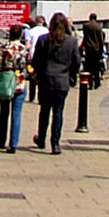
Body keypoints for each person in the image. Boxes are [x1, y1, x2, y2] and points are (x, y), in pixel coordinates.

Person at [30, 11, 81, 154]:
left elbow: (36, 61)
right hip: (62, 80)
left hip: (46, 80)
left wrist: (39, 75)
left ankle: (41, 138)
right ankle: (55, 143)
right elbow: (76, 61)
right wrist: (71, 75)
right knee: (58, 112)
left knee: (44, 111)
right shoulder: (71, 41)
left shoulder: (43, 40)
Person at [0, 24, 29, 153]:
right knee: (16, 113)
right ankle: (13, 144)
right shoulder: (24, 49)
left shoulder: (4, 48)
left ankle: (1, 140)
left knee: (4, 112)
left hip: (5, 82)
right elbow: (26, 66)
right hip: (19, 82)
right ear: (21, 35)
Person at [26, 15, 48, 102]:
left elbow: (27, 44)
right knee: (41, 77)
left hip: (32, 55)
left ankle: (31, 96)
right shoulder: (47, 31)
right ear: (43, 22)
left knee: (32, 76)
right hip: (43, 56)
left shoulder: (31, 31)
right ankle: (41, 97)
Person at [81, 12, 105, 89]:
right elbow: (101, 40)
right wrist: (102, 50)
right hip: (97, 49)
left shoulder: (86, 26)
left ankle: (90, 83)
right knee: (96, 67)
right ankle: (97, 83)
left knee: (88, 67)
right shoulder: (99, 27)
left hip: (88, 48)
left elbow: (85, 37)